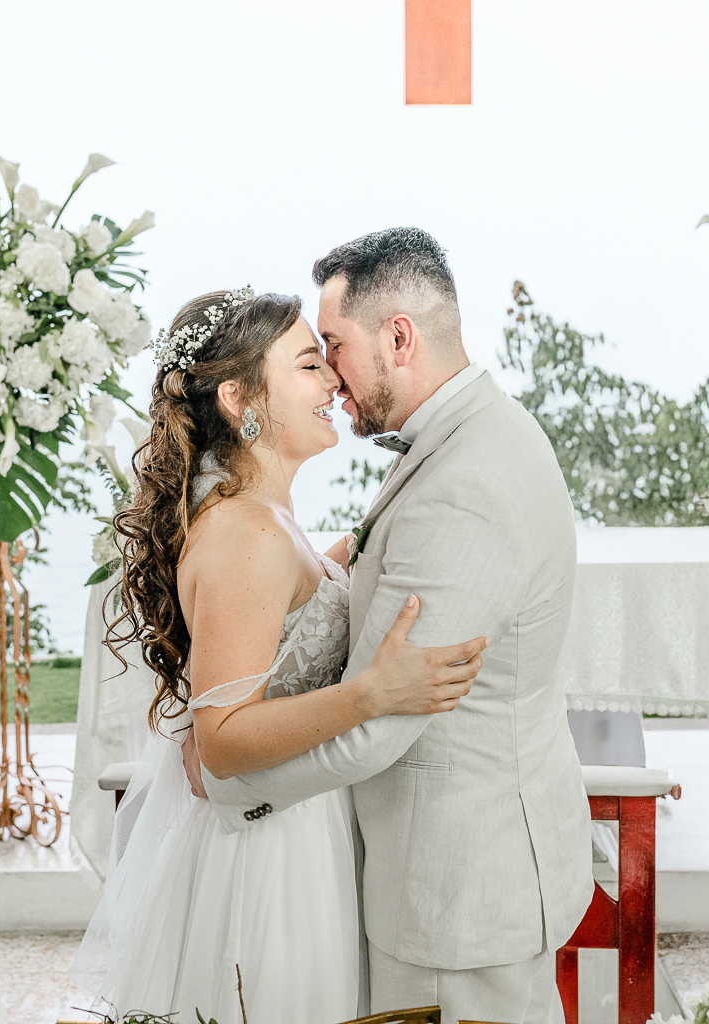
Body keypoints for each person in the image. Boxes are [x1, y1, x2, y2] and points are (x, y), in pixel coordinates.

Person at [190, 228, 595, 1024]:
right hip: (450, 866)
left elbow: (380, 725)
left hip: (456, 886)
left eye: (333, 347)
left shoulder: (467, 481)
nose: (329, 374)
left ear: (398, 338)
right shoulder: (468, 434)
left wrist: (228, 786)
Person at [69, 285, 489, 1024]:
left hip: (299, 822)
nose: (333, 381)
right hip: (268, 855)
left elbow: (296, 600)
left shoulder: (263, 517)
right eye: (307, 365)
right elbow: (222, 740)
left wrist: (379, 535)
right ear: (239, 399)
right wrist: (373, 694)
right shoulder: (247, 533)